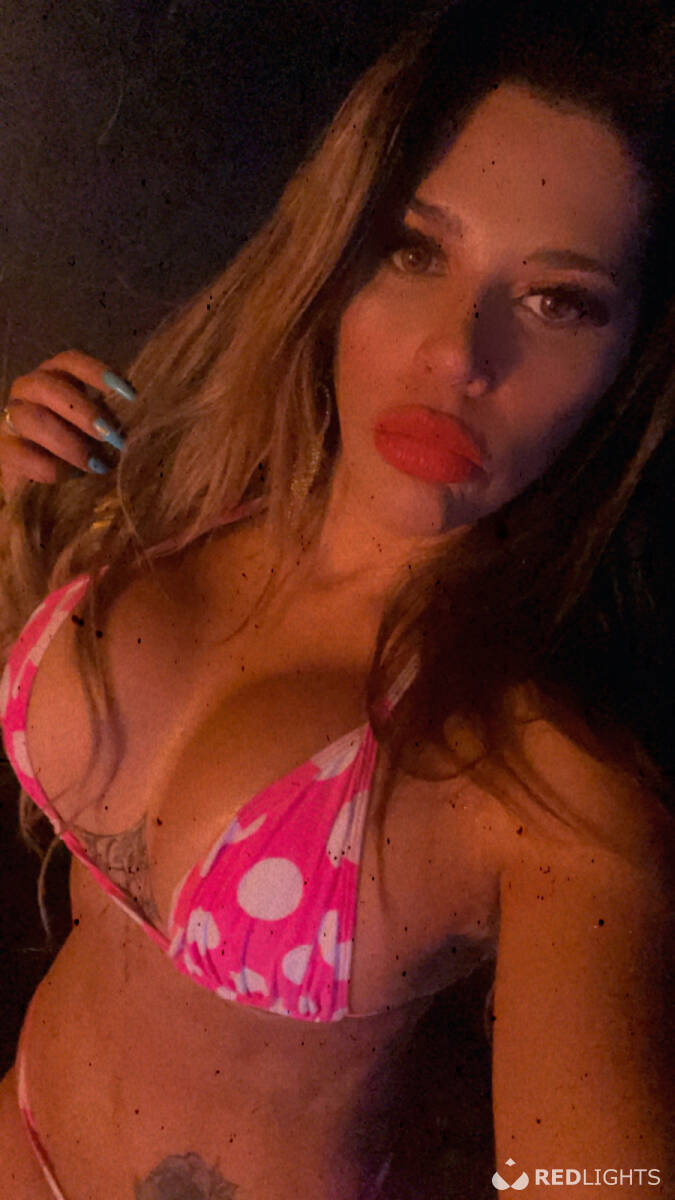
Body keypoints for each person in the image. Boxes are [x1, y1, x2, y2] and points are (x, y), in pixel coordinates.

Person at [0, 0, 673, 1195]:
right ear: (335, 251)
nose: (458, 353)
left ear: (631, 367)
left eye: (558, 301)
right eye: (413, 248)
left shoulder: (549, 789)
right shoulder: (168, 488)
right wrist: (15, 512)